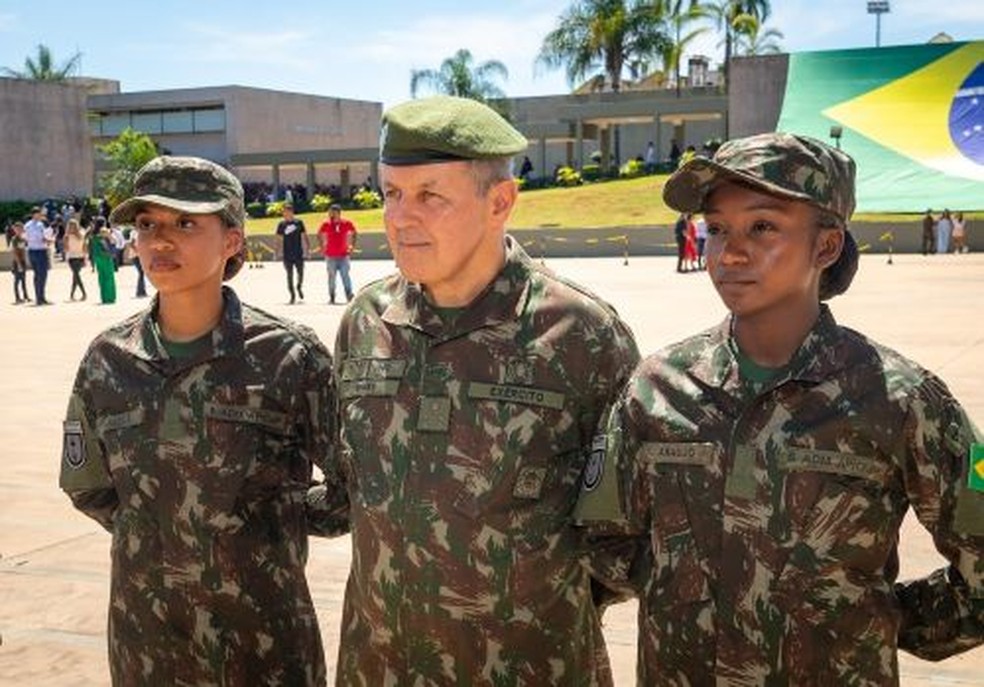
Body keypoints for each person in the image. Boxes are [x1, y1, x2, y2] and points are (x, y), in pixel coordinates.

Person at [576, 132, 984, 684]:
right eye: (718, 229)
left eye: (763, 227)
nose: (730, 252)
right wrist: (685, 587)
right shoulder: (656, 388)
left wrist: (883, 618)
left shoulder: (901, 399)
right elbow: (604, 540)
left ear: (827, 246)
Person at [311, 95, 640, 685]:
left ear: (500, 201)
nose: (400, 217)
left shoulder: (580, 335)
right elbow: (351, 488)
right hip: (382, 667)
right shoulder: (366, 322)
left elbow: (620, 536)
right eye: (391, 193)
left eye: (430, 195)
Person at [59, 156, 334, 686]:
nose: (160, 240)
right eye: (147, 224)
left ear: (232, 240)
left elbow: (351, 487)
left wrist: (267, 526)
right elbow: (87, 483)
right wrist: (160, 529)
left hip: (263, 641)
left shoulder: (289, 356)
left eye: (185, 223)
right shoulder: (108, 359)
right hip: (147, 642)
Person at [317, 203, 357, 304]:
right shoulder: (326, 224)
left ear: (338, 213)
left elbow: (354, 232)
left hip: (343, 255)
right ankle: (332, 296)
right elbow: (319, 234)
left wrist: (352, 245)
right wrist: (322, 246)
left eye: (333, 212)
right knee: (331, 277)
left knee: (345, 276)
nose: (331, 214)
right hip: (330, 256)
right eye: (330, 212)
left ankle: (349, 294)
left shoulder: (346, 223)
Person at [275, 203, 310, 304]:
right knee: (289, 275)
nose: (284, 214)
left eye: (286, 212)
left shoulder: (299, 223)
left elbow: (304, 236)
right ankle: (292, 295)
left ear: (291, 212)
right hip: (287, 254)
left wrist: (307, 249)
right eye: (283, 212)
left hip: (298, 253)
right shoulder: (281, 225)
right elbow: (278, 239)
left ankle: (299, 286)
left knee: (300, 273)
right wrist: (277, 252)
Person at [23, 206, 53, 305]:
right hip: (40, 251)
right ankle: (41, 298)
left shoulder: (27, 225)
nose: (40, 215)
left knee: (37, 275)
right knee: (42, 275)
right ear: (35, 214)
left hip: (31, 251)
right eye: (39, 214)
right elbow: (42, 238)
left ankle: (39, 297)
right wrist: (49, 240)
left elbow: (25, 238)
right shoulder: (40, 224)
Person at [88, 218, 117, 305]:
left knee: (101, 277)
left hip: (97, 257)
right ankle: (110, 297)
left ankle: (104, 297)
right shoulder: (104, 232)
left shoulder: (93, 235)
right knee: (109, 277)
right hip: (106, 256)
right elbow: (114, 241)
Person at [64, 218, 88, 301]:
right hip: (75, 257)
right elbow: (84, 247)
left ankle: (83, 293)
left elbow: (66, 248)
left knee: (76, 275)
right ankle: (73, 294)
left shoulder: (68, 236)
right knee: (76, 275)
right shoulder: (81, 234)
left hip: (75, 257)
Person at [10, 221, 29, 304]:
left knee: (23, 280)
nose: (19, 230)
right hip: (17, 262)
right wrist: (19, 264)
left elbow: (23, 250)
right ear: (14, 230)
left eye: (20, 229)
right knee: (17, 280)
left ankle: (25, 296)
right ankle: (17, 298)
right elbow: (14, 252)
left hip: (22, 261)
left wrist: (24, 261)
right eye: (17, 229)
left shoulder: (23, 239)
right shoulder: (14, 239)